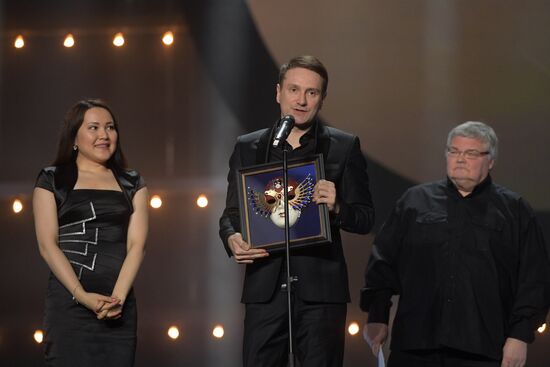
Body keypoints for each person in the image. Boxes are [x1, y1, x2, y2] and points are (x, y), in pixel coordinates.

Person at [219, 55, 375, 367]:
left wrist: (337, 206)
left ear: (322, 98)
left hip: (320, 293)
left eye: (312, 93)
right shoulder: (249, 147)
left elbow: (365, 218)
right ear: (278, 92)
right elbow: (232, 214)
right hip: (266, 290)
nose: (301, 100)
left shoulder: (343, 146)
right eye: (294, 90)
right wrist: (232, 238)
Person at [361, 121, 550, 367]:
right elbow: (383, 261)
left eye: (471, 153)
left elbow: (534, 278)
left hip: (482, 348)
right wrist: (377, 315)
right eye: (454, 151)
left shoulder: (515, 211)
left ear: (490, 160)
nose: (460, 159)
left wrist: (520, 335)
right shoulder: (414, 202)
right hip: (416, 344)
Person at [33, 99, 148, 366]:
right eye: (93, 127)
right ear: (74, 136)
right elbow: (47, 245)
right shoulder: (52, 179)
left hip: (118, 309)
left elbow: (137, 245)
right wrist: (82, 296)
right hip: (69, 308)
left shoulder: (132, 182)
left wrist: (117, 299)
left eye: (110, 127)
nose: (104, 135)